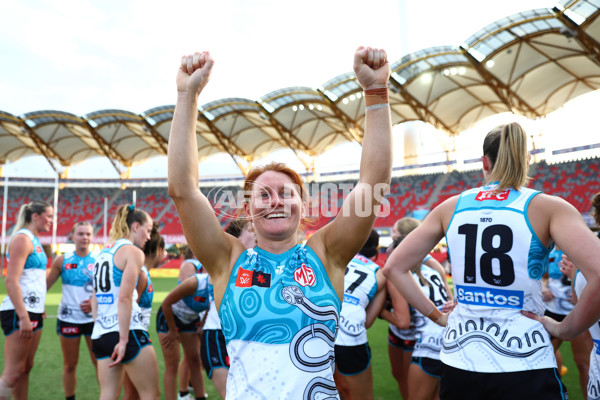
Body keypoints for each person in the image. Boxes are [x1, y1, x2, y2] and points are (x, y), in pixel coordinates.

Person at [167, 46, 392, 399]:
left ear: (304, 206)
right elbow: (183, 190)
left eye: (286, 194)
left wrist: (376, 94)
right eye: (264, 194)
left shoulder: (326, 254)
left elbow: (372, 185)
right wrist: (186, 96)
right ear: (247, 208)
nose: (275, 202)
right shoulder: (227, 261)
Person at [384, 122, 600, 399]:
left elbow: (394, 267)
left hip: (460, 360)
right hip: (524, 358)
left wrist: (438, 317)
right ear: (527, 161)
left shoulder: (451, 206)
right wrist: (565, 328)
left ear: (484, 162)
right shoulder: (549, 207)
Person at [91, 204, 160, 400]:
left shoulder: (102, 252)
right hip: (126, 332)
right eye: (147, 230)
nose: (148, 237)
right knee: (151, 395)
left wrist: (99, 325)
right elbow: (125, 297)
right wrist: (122, 340)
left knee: (108, 395)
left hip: (101, 334)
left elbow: (94, 297)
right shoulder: (133, 252)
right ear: (136, 226)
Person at [382, 217, 451, 399]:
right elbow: (449, 303)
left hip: (425, 341)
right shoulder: (431, 269)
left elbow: (403, 321)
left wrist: (381, 311)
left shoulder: (401, 271)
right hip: (444, 339)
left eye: (395, 233)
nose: (391, 236)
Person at [0, 201, 53, 400]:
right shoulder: (22, 239)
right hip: (19, 311)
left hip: (32, 310)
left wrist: (39, 306)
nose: (52, 221)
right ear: (36, 216)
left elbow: (33, 280)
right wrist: (23, 316)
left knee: (25, 368)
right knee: (13, 372)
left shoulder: (35, 240)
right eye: (49, 216)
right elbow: (11, 280)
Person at [200, 219, 256, 399]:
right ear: (237, 236)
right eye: (250, 229)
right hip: (217, 337)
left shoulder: (256, 259)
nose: (255, 231)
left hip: (242, 338)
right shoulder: (224, 260)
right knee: (232, 394)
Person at [333, 229, 387, 400]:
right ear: (376, 250)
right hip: (351, 337)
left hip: (321, 331)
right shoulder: (379, 272)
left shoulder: (337, 258)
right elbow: (368, 321)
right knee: (362, 396)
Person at [46, 221, 97, 400]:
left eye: (88, 234)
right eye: (81, 234)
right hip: (69, 319)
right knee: (69, 365)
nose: (85, 237)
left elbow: (107, 291)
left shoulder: (99, 261)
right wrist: (36, 308)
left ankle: (108, 395)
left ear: (93, 237)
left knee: (99, 363)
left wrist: (94, 302)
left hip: (93, 320)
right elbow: (45, 285)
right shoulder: (62, 260)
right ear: (73, 236)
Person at [123, 220, 166, 400]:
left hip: (136, 334)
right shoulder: (141, 274)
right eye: (164, 250)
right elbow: (131, 305)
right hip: (134, 336)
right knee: (137, 393)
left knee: (134, 393)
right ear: (157, 250)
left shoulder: (144, 272)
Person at [542, 244, 592, 394]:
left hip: (577, 312)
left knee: (583, 364)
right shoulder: (549, 249)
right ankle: (555, 393)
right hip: (552, 311)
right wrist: (544, 288)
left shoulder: (582, 246)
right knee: (545, 359)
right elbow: (543, 277)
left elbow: (594, 276)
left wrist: (580, 291)